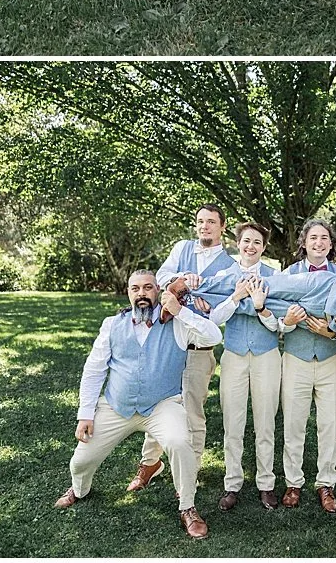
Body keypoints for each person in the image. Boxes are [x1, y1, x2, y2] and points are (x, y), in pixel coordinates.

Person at [56, 268, 223, 540]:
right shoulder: (112, 324)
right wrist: (85, 413)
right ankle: (79, 489)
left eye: (148, 288)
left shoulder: (178, 323)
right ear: (128, 293)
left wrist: (181, 311)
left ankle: (188, 506)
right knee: (80, 461)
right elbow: (94, 370)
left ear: (158, 291)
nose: (142, 294)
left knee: (181, 443)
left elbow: (214, 336)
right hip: (116, 406)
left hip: (161, 405)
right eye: (136, 289)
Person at [128, 204, 234, 496]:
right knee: (158, 405)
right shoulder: (182, 248)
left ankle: (189, 471)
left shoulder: (230, 265)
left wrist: (208, 306)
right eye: (200, 221)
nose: (204, 226)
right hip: (168, 346)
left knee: (192, 413)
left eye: (211, 221)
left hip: (199, 348)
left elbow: (224, 308)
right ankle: (150, 464)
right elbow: (160, 278)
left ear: (222, 226)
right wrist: (180, 280)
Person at [277, 218, 336, 513]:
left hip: (331, 359)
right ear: (304, 242)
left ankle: (326, 483)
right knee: (294, 423)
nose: (319, 243)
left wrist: (333, 329)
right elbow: (274, 317)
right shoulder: (289, 275)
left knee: (330, 424)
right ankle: (293, 482)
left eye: (324, 238)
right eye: (313, 238)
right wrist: (289, 321)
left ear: (332, 244)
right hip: (295, 358)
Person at [208, 222, 286, 511]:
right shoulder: (225, 276)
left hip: (267, 355)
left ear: (264, 247)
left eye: (257, 242)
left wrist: (259, 306)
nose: (251, 246)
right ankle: (232, 483)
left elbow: (277, 324)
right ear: (237, 244)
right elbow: (214, 319)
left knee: (265, 421)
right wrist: (236, 297)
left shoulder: (275, 278)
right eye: (246, 241)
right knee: (233, 422)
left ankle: (266, 484)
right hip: (234, 354)